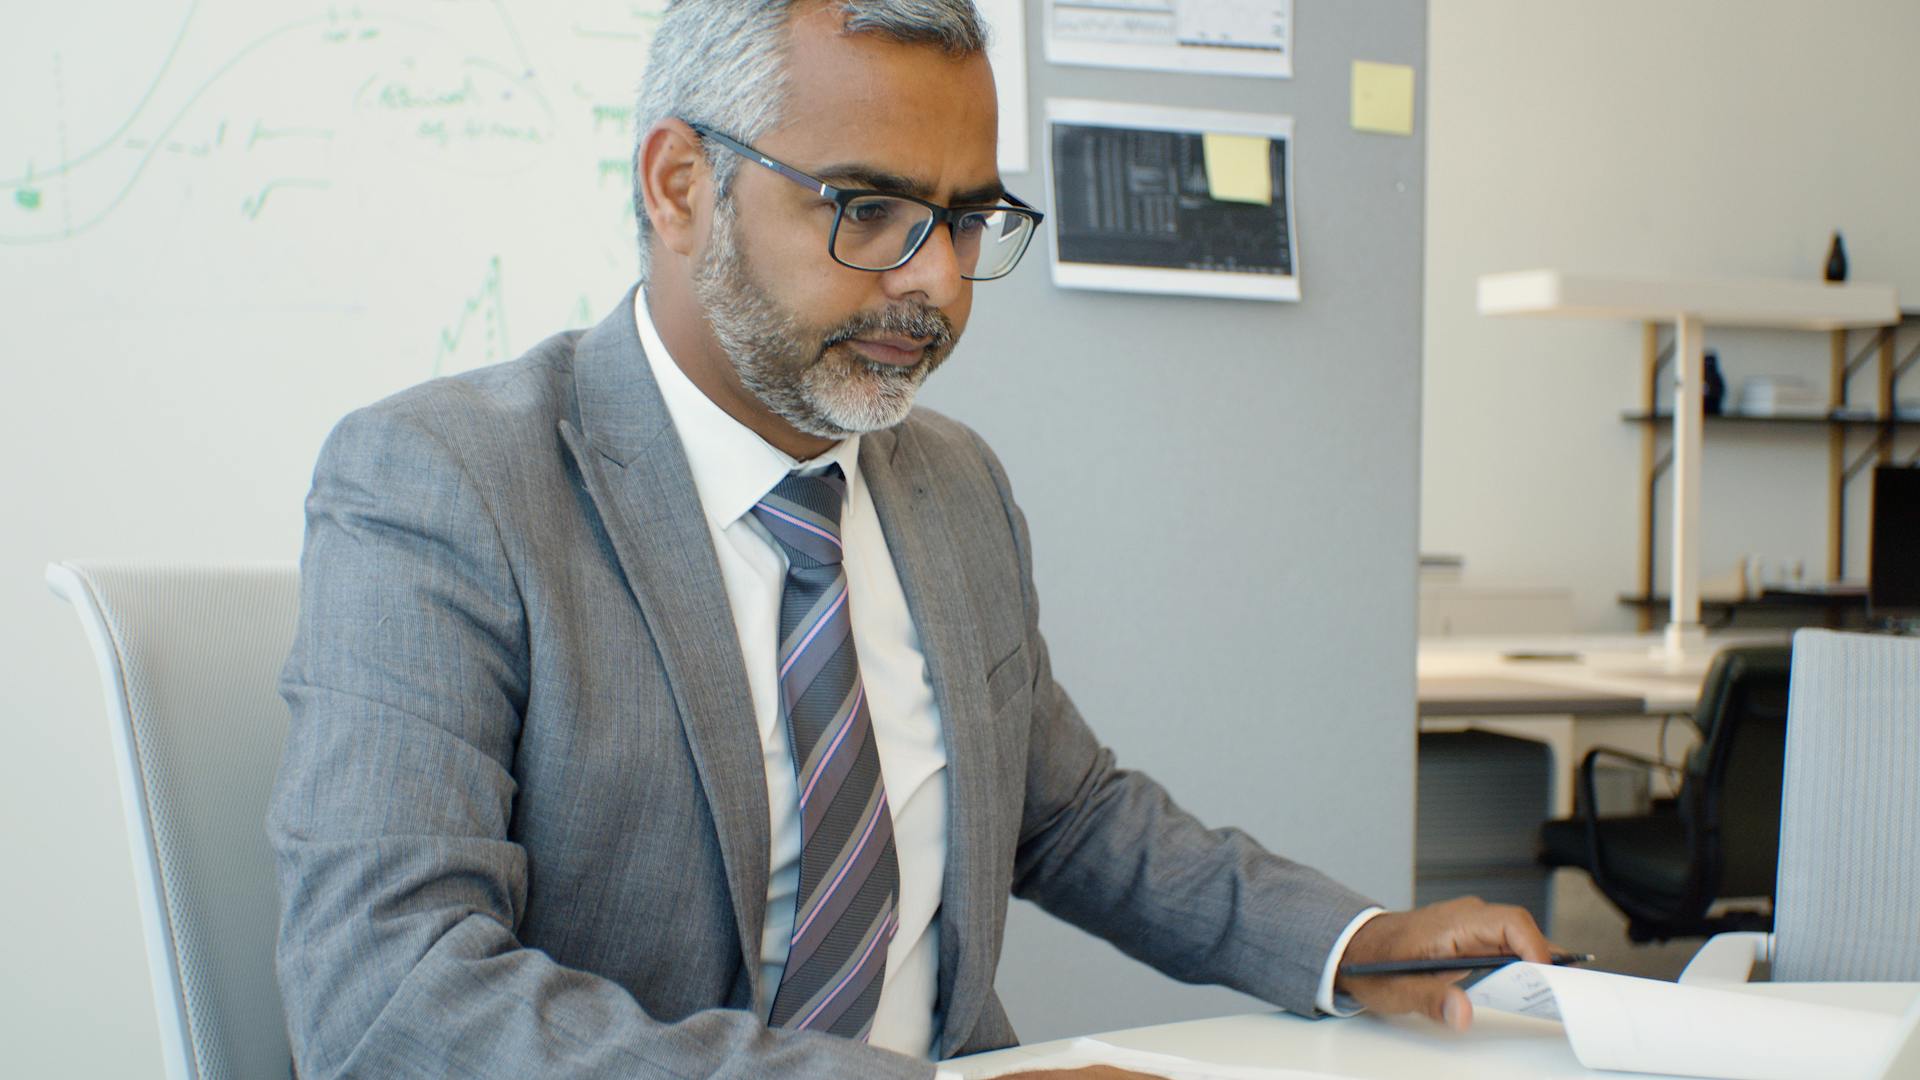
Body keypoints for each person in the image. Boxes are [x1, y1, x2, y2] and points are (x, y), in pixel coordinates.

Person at [267, 2, 1552, 1077]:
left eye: (968, 219)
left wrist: (1355, 941)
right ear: (679, 186)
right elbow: (391, 994)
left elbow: (1069, 817)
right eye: (867, 209)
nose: (935, 282)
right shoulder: (447, 483)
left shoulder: (950, 487)